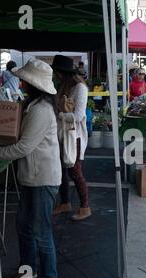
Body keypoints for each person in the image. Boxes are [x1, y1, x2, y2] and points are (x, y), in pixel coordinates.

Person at [0, 59, 62, 278]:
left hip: (42, 179)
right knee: (25, 227)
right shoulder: (33, 105)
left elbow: (23, 147)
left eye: (24, 80)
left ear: (33, 84)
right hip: (32, 177)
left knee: (40, 231)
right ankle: (27, 271)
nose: (21, 82)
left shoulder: (41, 110)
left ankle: (49, 275)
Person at [51, 55, 91, 221]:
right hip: (62, 135)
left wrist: (58, 115)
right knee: (62, 171)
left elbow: (79, 115)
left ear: (64, 73)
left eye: (57, 72)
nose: (55, 75)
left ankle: (85, 207)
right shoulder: (64, 86)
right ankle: (65, 203)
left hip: (75, 136)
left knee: (75, 172)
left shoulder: (80, 88)